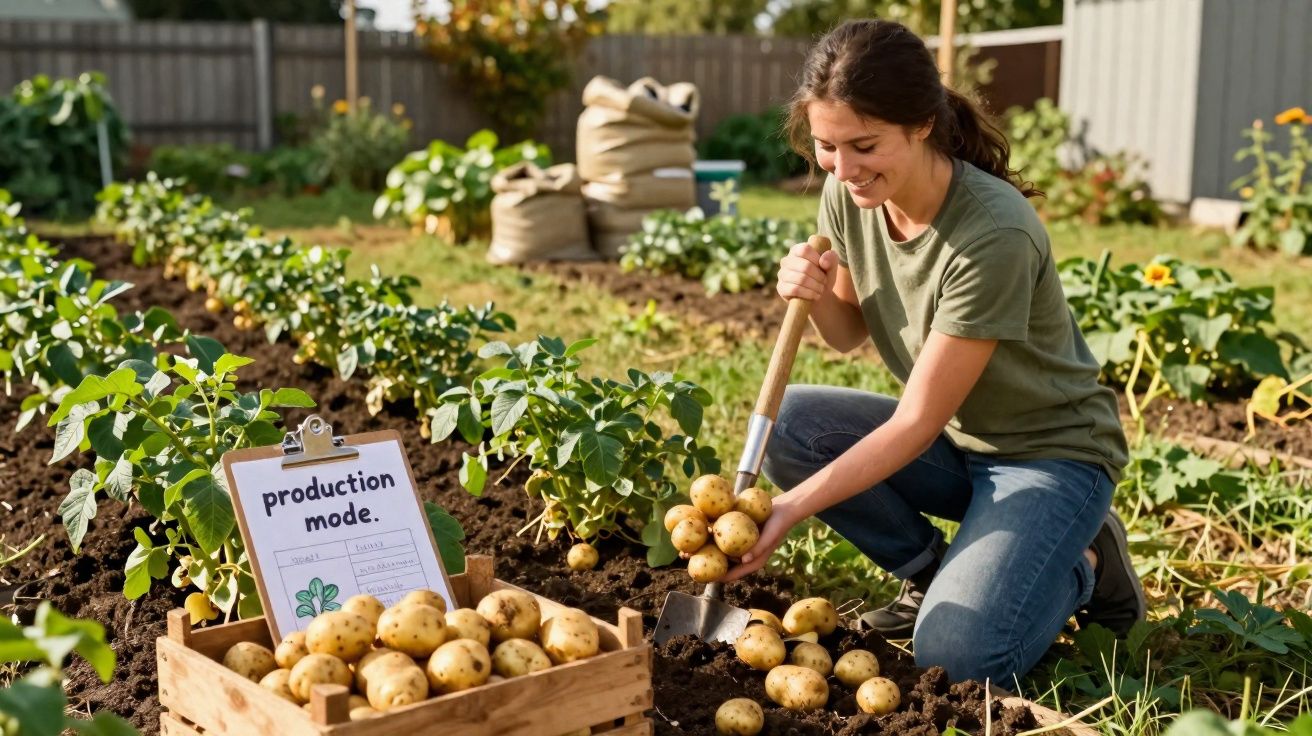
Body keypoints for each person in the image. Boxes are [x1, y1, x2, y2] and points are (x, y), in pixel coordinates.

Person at [719, 18, 1145, 687]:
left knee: (959, 660)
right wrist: (814, 291)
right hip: (959, 443)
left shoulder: (993, 232)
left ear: (922, 124)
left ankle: (1083, 560)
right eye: (828, 147)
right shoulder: (847, 194)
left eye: (864, 146)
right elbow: (848, 331)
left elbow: (914, 422)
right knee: (796, 423)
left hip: (1048, 456)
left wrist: (790, 509)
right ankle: (929, 574)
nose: (844, 168)